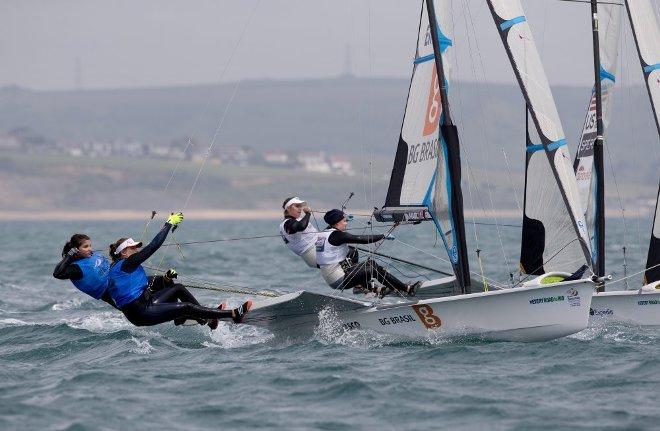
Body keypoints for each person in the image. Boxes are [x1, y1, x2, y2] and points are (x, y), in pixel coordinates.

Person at [107, 212, 252, 329]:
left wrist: (166, 278)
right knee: (186, 307)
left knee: (177, 288)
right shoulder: (126, 263)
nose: (136, 249)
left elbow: (146, 282)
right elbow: (153, 246)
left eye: (137, 247)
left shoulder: (122, 267)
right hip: (141, 313)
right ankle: (233, 314)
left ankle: (205, 320)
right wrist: (168, 224)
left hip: (146, 303)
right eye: (133, 248)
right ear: (123, 253)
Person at [315, 209, 422, 296]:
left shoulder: (325, 233)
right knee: (373, 269)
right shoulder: (337, 235)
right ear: (337, 223)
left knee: (370, 263)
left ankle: (376, 289)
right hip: (339, 280)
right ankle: (407, 289)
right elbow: (361, 239)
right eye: (344, 221)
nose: (346, 223)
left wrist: (344, 219)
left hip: (335, 275)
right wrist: (382, 236)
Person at [53, 234, 116, 308]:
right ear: (76, 250)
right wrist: (69, 255)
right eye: (85, 247)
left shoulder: (93, 255)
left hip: (120, 282)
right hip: (110, 293)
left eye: (90, 245)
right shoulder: (76, 268)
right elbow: (57, 274)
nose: (90, 249)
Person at [279, 196, 318, 268]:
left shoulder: (293, 221)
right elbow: (301, 227)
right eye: (297, 206)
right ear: (288, 208)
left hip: (315, 252)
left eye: (300, 206)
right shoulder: (287, 223)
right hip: (313, 253)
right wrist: (308, 214)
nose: (300, 208)